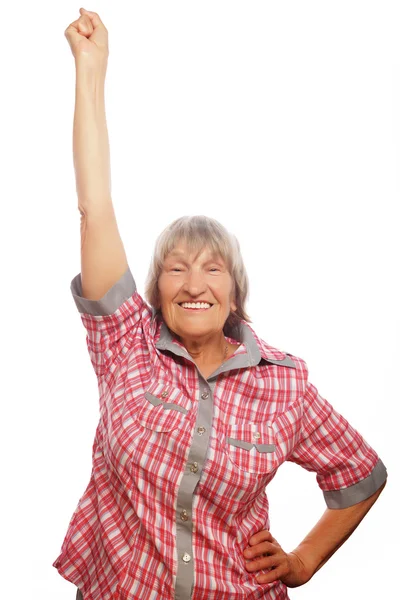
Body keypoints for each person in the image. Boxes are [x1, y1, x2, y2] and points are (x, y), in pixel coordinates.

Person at [54, 8, 387, 600]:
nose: (193, 282)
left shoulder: (285, 385)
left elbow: (361, 474)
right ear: (155, 290)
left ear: (235, 291)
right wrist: (90, 70)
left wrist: (305, 560)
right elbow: (94, 208)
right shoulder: (126, 346)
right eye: (175, 268)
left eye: (212, 268)